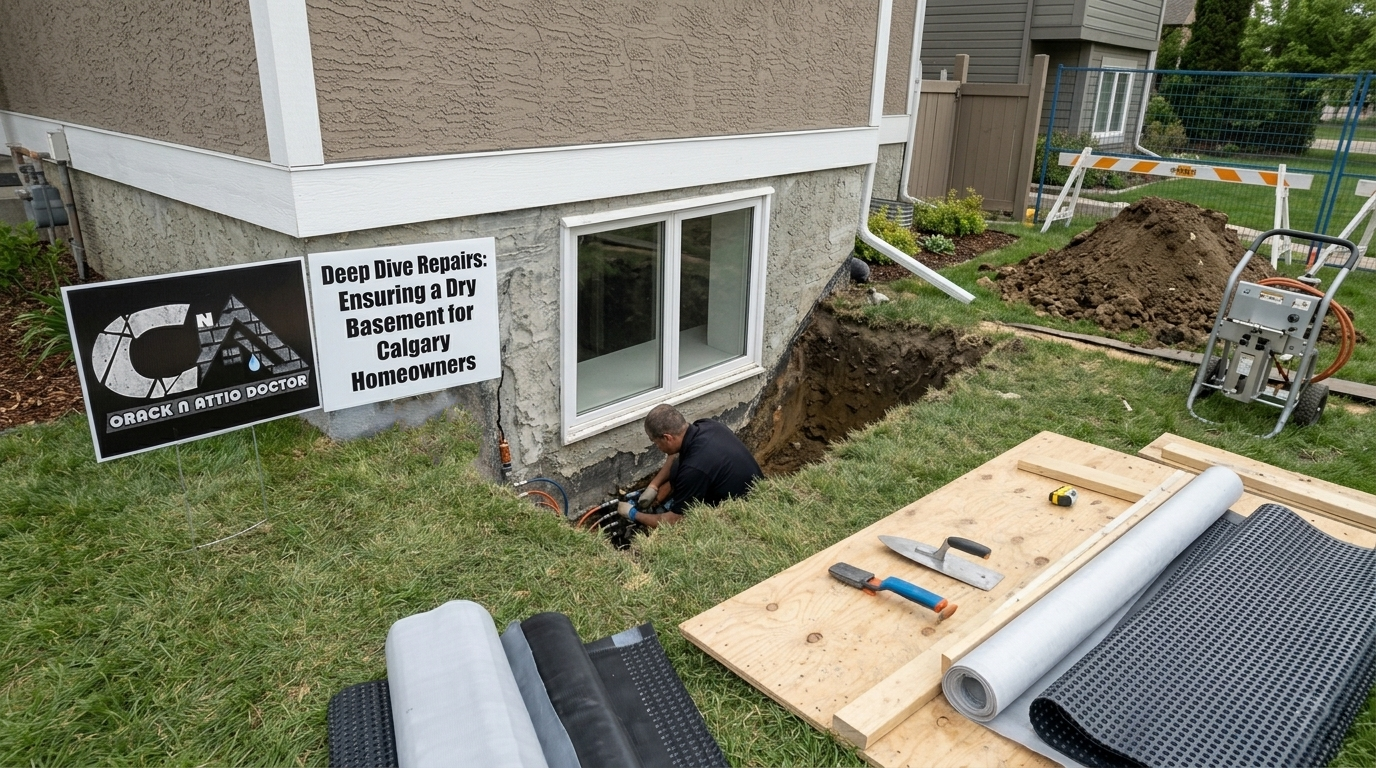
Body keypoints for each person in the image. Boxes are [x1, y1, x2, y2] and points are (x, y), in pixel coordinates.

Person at [622, 404, 763, 528]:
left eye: (656, 442)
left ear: (667, 438)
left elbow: (674, 520)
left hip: (744, 507)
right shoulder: (705, 425)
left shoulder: (693, 469)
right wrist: (654, 485)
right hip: (752, 484)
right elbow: (674, 456)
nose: (657, 447)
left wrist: (634, 514)